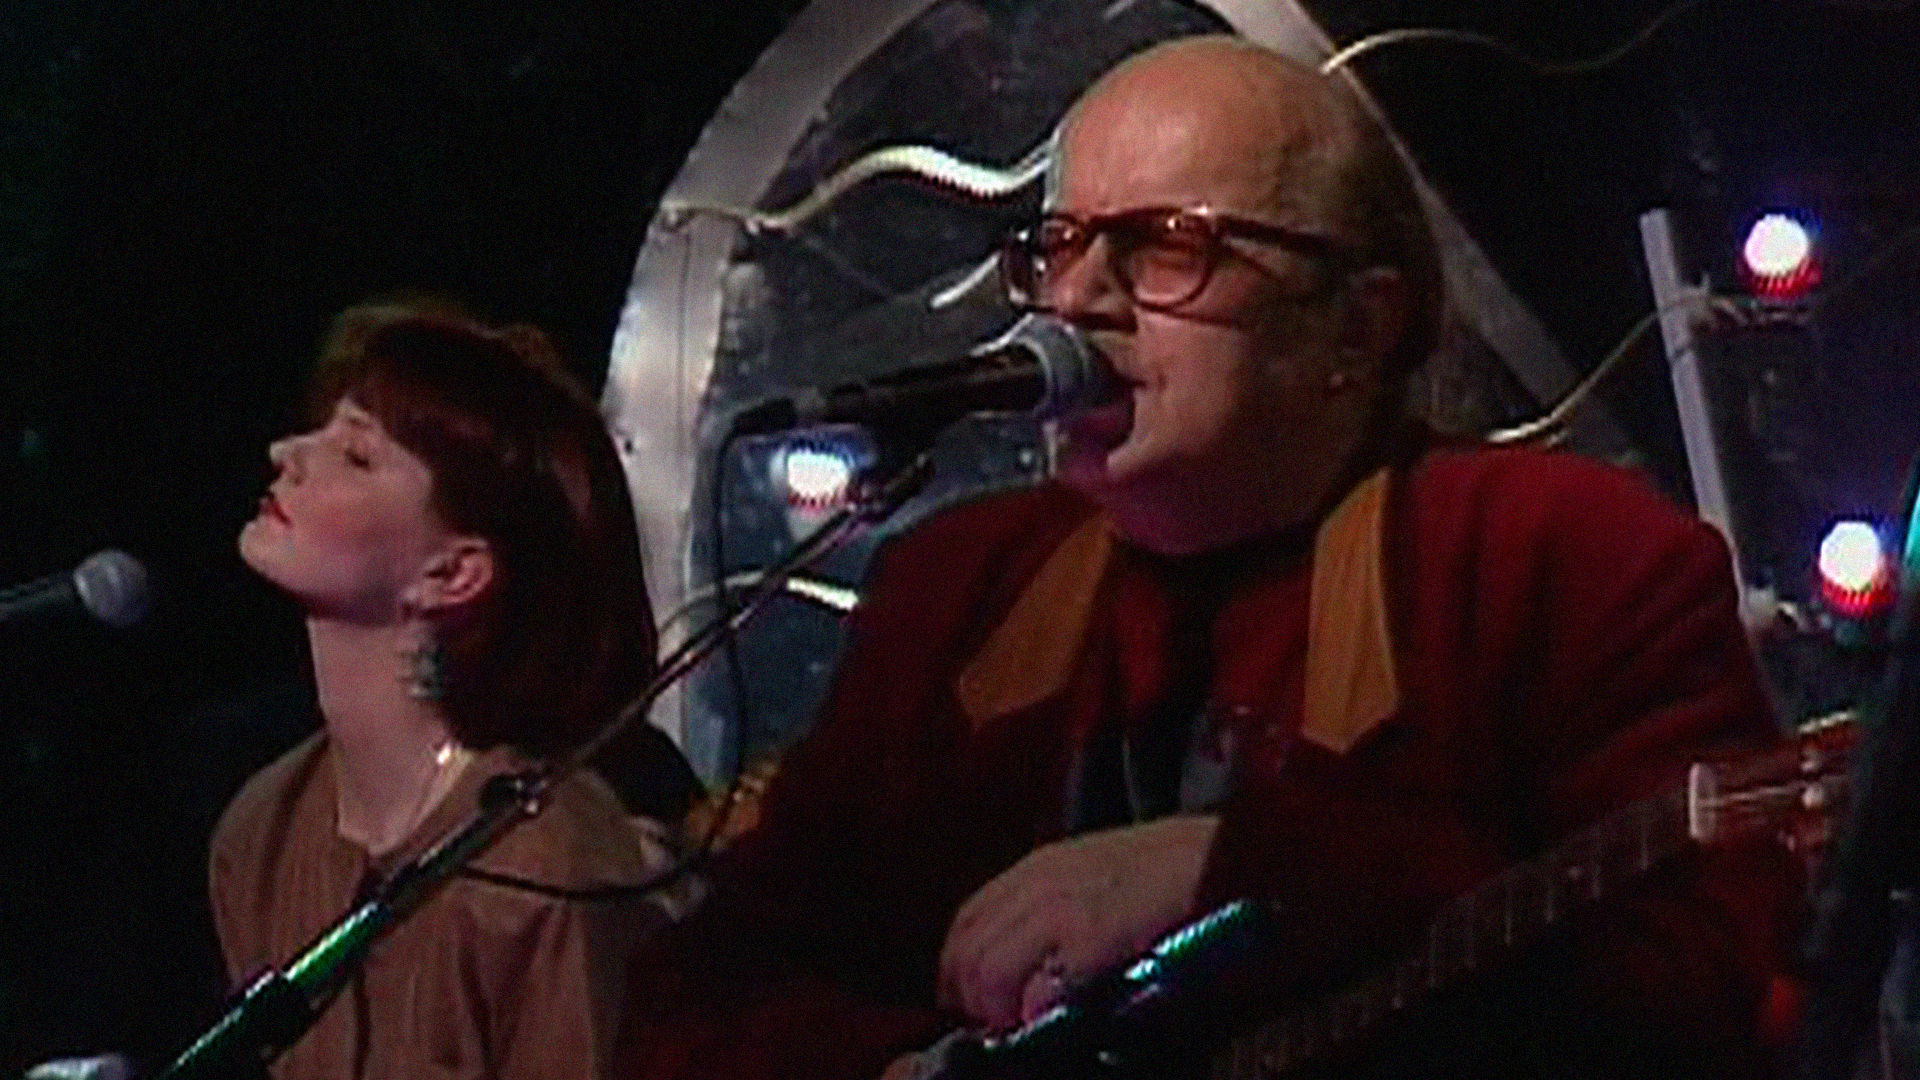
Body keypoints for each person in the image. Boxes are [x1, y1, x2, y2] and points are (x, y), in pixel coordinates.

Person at [624, 35, 1804, 1080]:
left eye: (1162, 248)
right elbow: (698, 1003)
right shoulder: (958, 590)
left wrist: (1241, 875)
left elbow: (1710, 984)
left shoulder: (1565, 554)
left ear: (1358, 324)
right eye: (1059, 247)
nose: (1075, 303)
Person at [212, 301, 691, 1080]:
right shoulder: (263, 829)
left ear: (453, 572)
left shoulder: (549, 857)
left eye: (356, 456)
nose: (287, 453)